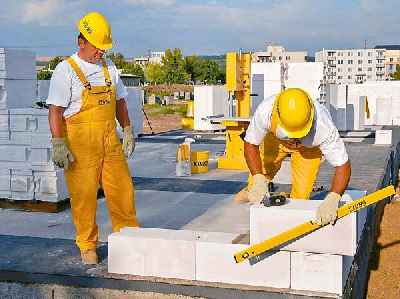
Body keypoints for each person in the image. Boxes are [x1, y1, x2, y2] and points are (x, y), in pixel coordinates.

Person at [46, 12, 139, 264]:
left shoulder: (110, 68)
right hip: (81, 145)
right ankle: (87, 245)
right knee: (84, 197)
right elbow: (55, 110)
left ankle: (128, 238)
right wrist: (58, 142)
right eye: (98, 47)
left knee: (122, 192)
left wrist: (128, 129)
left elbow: (120, 102)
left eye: (104, 47)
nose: (101, 52)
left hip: (110, 142)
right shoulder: (66, 70)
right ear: (81, 42)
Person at [235, 88, 351, 226]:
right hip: (275, 141)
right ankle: (250, 196)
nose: (293, 139)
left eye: (300, 133)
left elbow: (342, 165)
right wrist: (258, 178)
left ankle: (287, 223)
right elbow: (250, 143)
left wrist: (334, 197)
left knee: (301, 197)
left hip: (308, 150)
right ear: (276, 115)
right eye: (289, 133)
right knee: (257, 186)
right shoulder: (265, 111)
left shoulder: (323, 126)